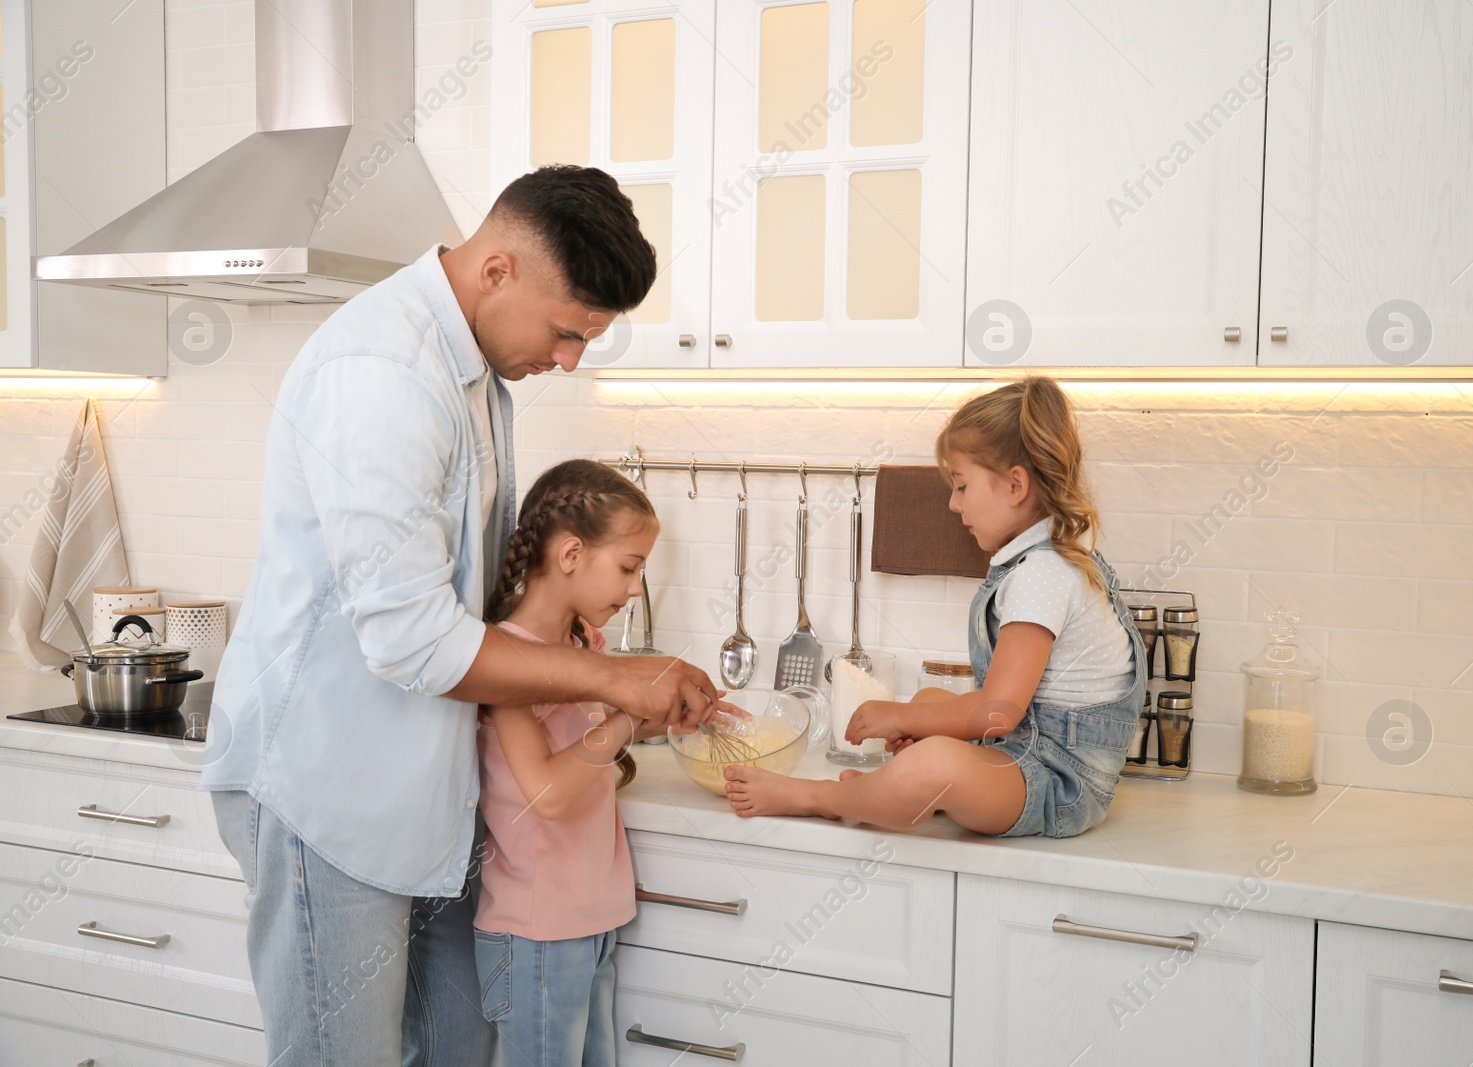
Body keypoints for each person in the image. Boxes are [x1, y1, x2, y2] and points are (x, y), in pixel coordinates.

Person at [200, 167, 727, 1067]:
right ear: (496, 271)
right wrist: (611, 677)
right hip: (328, 788)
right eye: (567, 332)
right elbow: (413, 636)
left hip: (426, 796)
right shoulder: (383, 373)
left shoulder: (476, 377)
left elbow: (470, 594)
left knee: (459, 1049)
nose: (571, 360)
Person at [725, 377, 1146, 838]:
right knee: (929, 703)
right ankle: (893, 792)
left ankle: (819, 798)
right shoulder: (1046, 558)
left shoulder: (1041, 575)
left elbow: (996, 713)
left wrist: (904, 718)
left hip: (1059, 781)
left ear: (1015, 485)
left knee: (933, 759)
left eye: (962, 486)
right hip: (1026, 749)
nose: (951, 503)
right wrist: (920, 716)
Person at [472, 459, 663, 1067]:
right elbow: (546, 794)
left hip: (591, 921)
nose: (634, 587)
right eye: (629, 567)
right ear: (572, 553)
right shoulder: (504, 660)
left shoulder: (587, 649)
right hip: (534, 932)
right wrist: (630, 716)